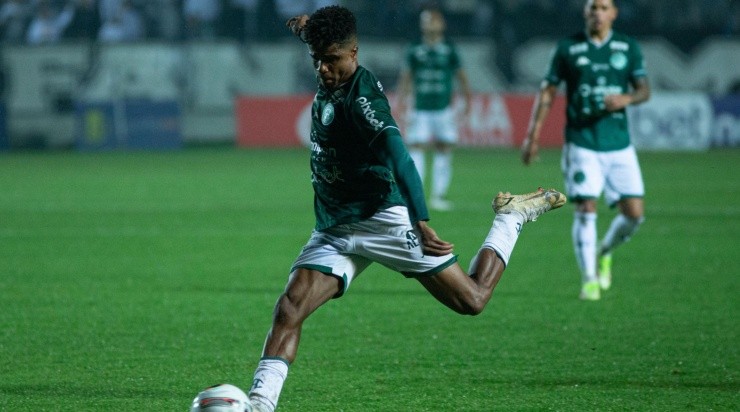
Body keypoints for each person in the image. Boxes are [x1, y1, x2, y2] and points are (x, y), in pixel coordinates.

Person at [245, 6, 566, 412]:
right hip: (334, 227)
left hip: (382, 219)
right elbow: (319, 39)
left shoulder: (363, 101)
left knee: (472, 299)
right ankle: (260, 403)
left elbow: (401, 159)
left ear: (354, 52)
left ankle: (510, 218)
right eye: (317, 60)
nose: (324, 69)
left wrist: (421, 220)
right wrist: (306, 28)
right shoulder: (329, 60)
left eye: (332, 60)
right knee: (289, 308)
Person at [521, 0, 650, 301]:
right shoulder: (568, 48)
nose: (597, 13)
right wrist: (533, 136)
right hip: (582, 142)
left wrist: (627, 99)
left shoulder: (627, 47)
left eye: (604, 7)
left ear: (614, 13)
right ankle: (589, 278)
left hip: (619, 144)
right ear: (585, 13)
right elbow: (548, 92)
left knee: (634, 215)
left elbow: (645, 89)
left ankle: (604, 250)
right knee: (585, 207)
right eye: (593, 7)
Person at [396, 6, 472, 212]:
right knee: (416, 148)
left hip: (443, 108)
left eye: (433, 20)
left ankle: (438, 195)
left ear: (442, 24)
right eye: (426, 20)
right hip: (419, 108)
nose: (429, 24)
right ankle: (416, 195)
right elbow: (406, 77)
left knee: (444, 148)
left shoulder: (449, 49)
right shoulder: (414, 49)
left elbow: (461, 76)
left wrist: (467, 99)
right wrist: (401, 101)